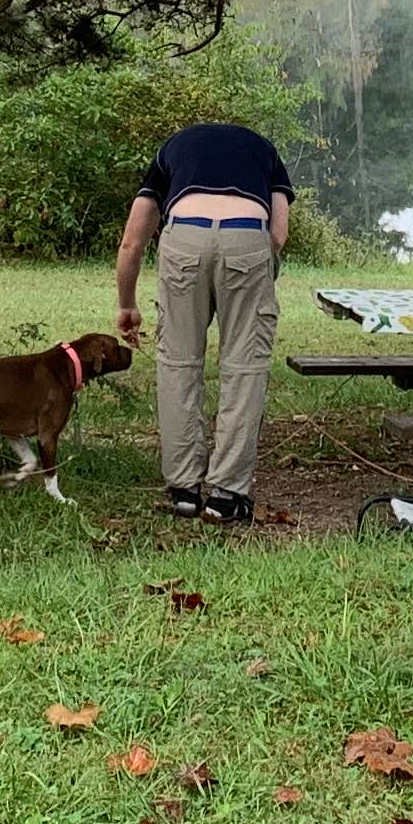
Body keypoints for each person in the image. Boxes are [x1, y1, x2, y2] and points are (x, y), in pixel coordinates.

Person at [113, 118, 292, 522]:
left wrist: (127, 304)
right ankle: (226, 496)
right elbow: (278, 233)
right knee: (244, 368)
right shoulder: (265, 151)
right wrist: (259, 270)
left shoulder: (171, 149)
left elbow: (132, 241)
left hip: (184, 236)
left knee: (178, 364)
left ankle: (184, 490)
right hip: (247, 235)